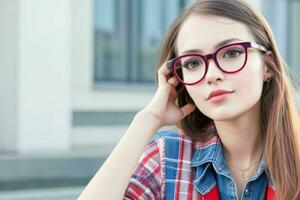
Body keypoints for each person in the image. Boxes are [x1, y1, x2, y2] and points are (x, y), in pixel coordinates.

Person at [78, 0, 300, 199]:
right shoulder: (167, 160)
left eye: (231, 53)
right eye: (193, 63)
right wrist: (147, 119)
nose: (212, 74)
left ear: (267, 66)